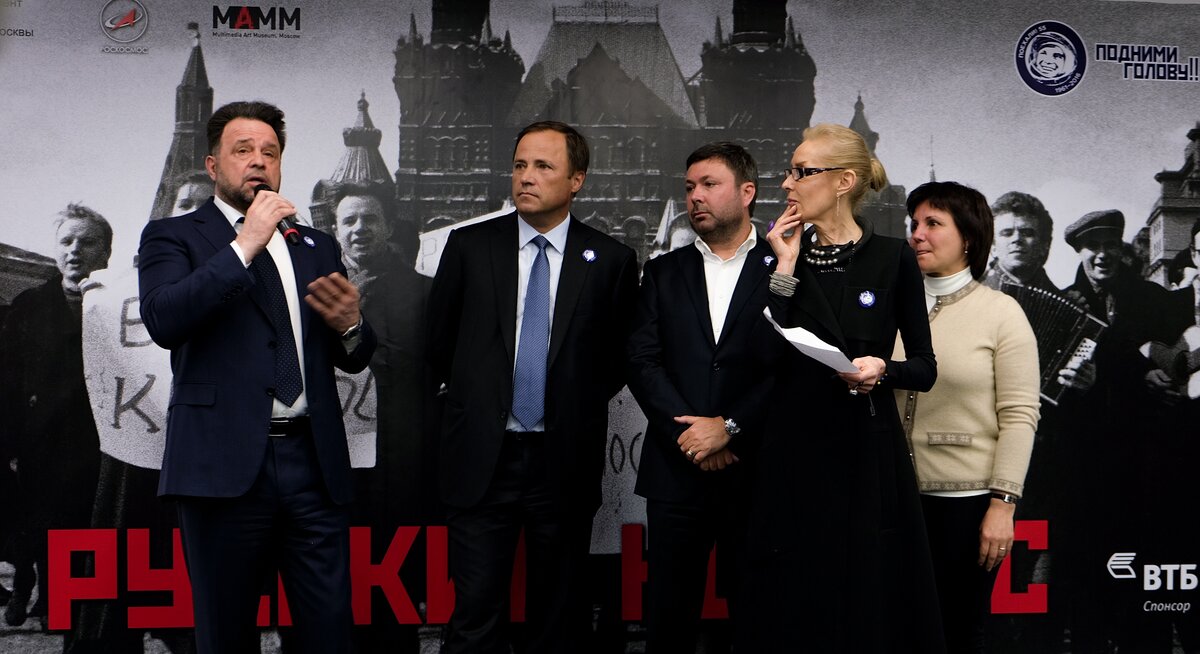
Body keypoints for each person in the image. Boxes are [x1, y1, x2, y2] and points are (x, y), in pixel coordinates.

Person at [137, 101, 377, 654]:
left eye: (270, 152)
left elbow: (355, 356)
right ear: (213, 165)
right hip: (221, 467)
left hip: (312, 465)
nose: (258, 161)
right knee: (225, 636)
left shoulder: (316, 246)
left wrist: (351, 326)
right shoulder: (173, 236)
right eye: (242, 150)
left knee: (329, 636)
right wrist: (246, 243)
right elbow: (165, 319)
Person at [427, 120, 639, 653]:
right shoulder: (469, 246)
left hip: (562, 460)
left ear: (576, 180)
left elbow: (617, 360)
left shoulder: (610, 260)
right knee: (474, 616)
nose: (526, 176)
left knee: (560, 618)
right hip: (481, 458)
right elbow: (439, 343)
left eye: (543, 166)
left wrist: (565, 401)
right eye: (520, 164)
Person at [737, 123, 944, 653]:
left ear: (843, 181)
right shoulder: (773, 255)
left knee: (863, 600)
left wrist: (882, 369)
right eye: (789, 171)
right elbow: (758, 355)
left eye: (801, 172)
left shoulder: (893, 257)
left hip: (863, 451)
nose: (787, 183)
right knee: (791, 602)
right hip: (789, 451)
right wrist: (785, 268)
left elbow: (924, 368)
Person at [626, 142, 773, 653]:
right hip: (677, 472)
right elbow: (641, 361)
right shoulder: (664, 271)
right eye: (689, 187)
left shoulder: (785, 268)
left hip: (758, 472)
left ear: (747, 192)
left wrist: (730, 429)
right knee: (668, 621)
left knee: (759, 619)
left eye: (709, 184)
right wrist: (692, 436)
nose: (695, 197)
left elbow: (791, 367)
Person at [897, 182, 1040, 653]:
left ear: (969, 239)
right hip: (890, 499)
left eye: (933, 223)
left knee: (957, 633)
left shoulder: (1002, 313)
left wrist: (1003, 504)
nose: (917, 234)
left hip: (965, 506)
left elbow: (1020, 415)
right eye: (914, 223)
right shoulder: (889, 308)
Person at [1053, 210, 1191, 652]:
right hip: (1089, 463)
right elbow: (1052, 382)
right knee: (1089, 574)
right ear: (1079, 252)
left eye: (1110, 245)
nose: (1102, 255)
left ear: (1122, 249)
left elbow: (1184, 351)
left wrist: (1168, 377)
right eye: (1092, 247)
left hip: (1147, 461)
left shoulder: (1153, 298)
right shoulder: (1065, 303)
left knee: (1145, 569)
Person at [330, 181, 437, 654]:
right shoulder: (313, 291)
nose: (360, 229)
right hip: (335, 454)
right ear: (335, 230)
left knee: (395, 575)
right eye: (349, 220)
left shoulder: (424, 293)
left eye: (370, 219)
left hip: (399, 455)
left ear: (389, 227)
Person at [0, 204, 111, 630]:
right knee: (42, 516)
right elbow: (8, 379)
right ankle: (39, 591)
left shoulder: (120, 302)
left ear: (106, 252)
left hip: (100, 435)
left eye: (87, 242)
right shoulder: (30, 306)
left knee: (86, 519)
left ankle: (66, 602)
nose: (74, 250)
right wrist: (8, 442)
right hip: (41, 436)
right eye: (66, 241)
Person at [982, 191, 1058, 292]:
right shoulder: (969, 296)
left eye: (1027, 233)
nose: (1017, 239)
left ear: (1044, 245)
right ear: (993, 247)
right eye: (1007, 233)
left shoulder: (1066, 299)